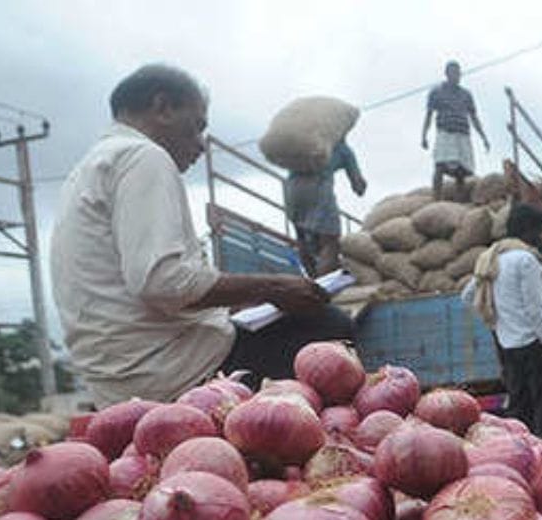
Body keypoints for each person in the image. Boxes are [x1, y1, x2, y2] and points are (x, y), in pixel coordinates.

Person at [50, 64, 353, 408]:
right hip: (174, 372)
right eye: (196, 127)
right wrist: (275, 287)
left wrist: (245, 297)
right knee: (327, 329)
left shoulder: (88, 169)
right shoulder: (143, 157)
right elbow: (162, 281)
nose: (200, 146)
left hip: (118, 383)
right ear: (163, 107)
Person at [463, 203, 542, 438]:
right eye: (539, 231)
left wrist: (498, 318)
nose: (540, 237)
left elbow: (469, 294)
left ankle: (521, 449)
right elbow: (536, 309)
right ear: (529, 230)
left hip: (508, 346)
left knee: (519, 404)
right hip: (535, 345)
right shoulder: (526, 260)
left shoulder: (491, 259)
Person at [284, 138, 366, 276]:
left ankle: (311, 282)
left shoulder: (304, 141)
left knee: (302, 240)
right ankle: (322, 288)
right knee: (330, 243)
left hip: (292, 192)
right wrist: (360, 183)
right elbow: (358, 187)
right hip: (318, 191)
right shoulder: (342, 149)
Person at [421, 61, 490, 202]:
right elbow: (429, 115)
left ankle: (459, 201)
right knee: (440, 165)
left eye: (458, 73)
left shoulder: (466, 95)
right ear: (447, 74)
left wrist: (484, 137)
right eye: (453, 73)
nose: (456, 76)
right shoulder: (436, 92)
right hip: (445, 131)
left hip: (462, 133)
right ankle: (436, 199)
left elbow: (474, 117)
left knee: (461, 171)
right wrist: (424, 135)